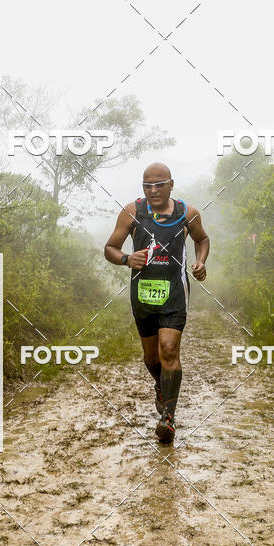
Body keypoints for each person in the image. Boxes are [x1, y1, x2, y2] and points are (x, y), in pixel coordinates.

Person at [104, 163, 209, 443]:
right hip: (143, 295)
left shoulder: (187, 213)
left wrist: (200, 262)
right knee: (152, 358)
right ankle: (161, 387)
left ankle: (168, 418)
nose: (153, 190)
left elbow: (202, 239)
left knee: (169, 350)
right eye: (147, 186)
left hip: (175, 293)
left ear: (171, 184)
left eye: (159, 185)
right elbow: (109, 248)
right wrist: (127, 259)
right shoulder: (132, 212)